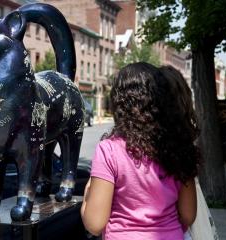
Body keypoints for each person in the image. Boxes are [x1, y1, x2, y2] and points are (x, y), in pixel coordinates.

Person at [80, 62, 200, 239]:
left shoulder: (109, 150)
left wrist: (87, 196)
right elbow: (188, 215)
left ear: (119, 103)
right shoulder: (179, 146)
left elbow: (95, 224)